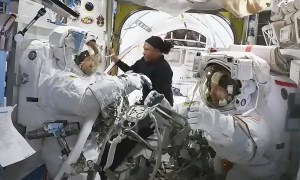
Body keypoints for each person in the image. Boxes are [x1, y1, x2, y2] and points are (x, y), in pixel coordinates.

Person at [144, 50, 296, 180]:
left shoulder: (255, 113)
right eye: (211, 85)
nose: (212, 93)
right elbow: (187, 110)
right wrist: (164, 109)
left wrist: (215, 124)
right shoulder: (213, 103)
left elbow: (246, 149)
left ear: (242, 89)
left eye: (219, 88)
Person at [33, 26, 152, 179]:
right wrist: (124, 83)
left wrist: (130, 82)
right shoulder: (59, 81)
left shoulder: (91, 78)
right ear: (71, 57)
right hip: (65, 159)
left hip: (87, 154)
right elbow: (87, 99)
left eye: (94, 57)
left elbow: (107, 86)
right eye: (87, 58)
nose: (93, 62)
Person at [110, 36, 174, 106]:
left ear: (157, 51)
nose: (143, 53)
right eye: (144, 49)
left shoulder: (164, 68)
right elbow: (130, 71)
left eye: (147, 49)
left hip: (161, 106)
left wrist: (143, 104)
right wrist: (114, 58)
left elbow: (161, 94)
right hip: (147, 102)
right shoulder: (143, 61)